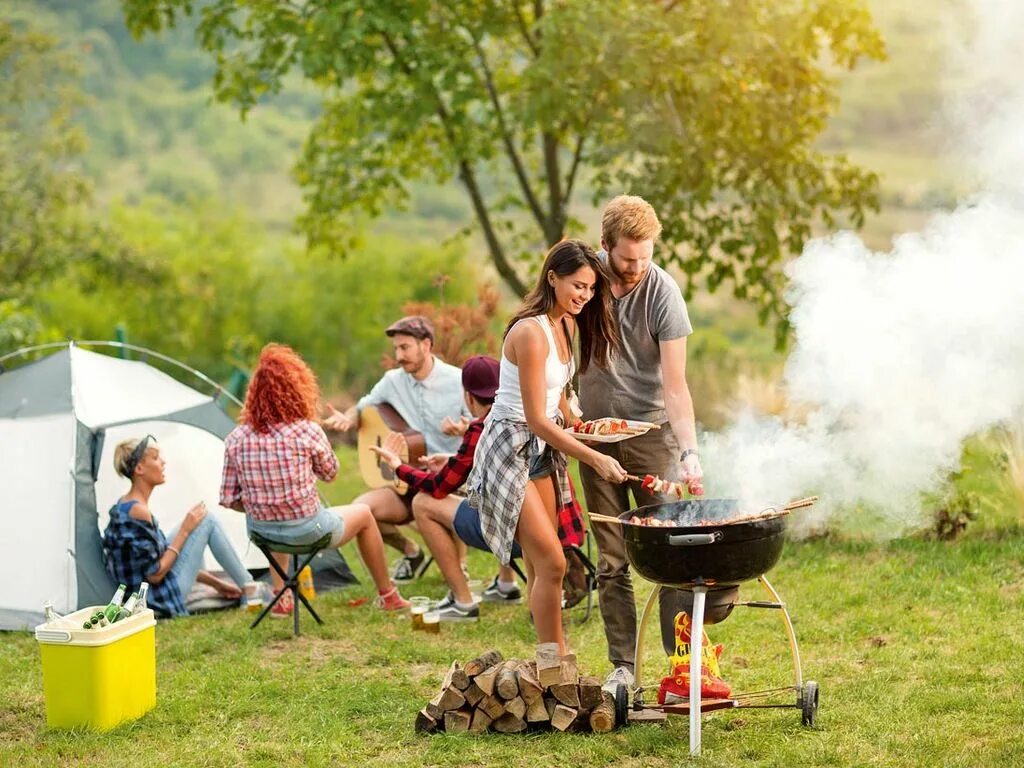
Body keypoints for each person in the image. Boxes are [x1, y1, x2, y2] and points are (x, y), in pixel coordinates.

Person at [469, 239, 627, 655]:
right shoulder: (530, 332)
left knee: (546, 565)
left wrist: (582, 425)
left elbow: (554, 394)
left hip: (541, 451)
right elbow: (535, 418)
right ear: (552, 278)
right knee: (555, 563)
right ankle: (554, 659)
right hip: (510, 449)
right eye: (578, 285)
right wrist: (594, 456)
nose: (584, 296)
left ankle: (550, 657)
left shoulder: (565, 325)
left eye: (591, 289)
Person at [576, 194, 705, 695]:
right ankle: (623, 669)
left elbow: (676, 384)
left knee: (671, 555)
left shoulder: (664, 293)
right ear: (605, 246)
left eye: (645, 257)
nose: (635, 268)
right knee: (611, 561)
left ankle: (682, 667)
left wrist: (689, 452)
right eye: (626, 259)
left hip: (654, 437)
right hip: (596, 439)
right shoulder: (585, 285)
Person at [220, 343, 409, 616]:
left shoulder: (236, 438)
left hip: (262, 533)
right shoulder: (307, 431)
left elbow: (229, 500)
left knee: (275, 515)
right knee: (366, 515)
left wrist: (263, 503)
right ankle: (388, 595)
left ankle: (282, 597)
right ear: (297, 389)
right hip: (310, 531)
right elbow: (331, 474)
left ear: (254, 394)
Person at [370, 355, 523, 622]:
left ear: (468, 397)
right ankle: (506, 584)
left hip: (510, 534)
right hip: (545, 530)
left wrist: (397, 466)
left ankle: (462, 602)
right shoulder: (521, 417)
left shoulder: (480, 428)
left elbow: (438, 487)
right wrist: (451, 461)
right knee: (498, 492)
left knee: (423, 503)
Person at [323, 315, 468, 581]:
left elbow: (479, 425)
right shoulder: (392, 380)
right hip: (406, 477)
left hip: (446, 478)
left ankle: (459, 569)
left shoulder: (457, 380)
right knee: (361, 511)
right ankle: (411, 552)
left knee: (438, 510)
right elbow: (364, 405)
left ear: (426, 345)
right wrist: (348, 417)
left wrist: (463, 428)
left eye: (405, 348)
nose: (399, 355)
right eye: (396, 349)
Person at [103, 435, 253, 619]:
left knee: (197, 521)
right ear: (139, 468)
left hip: (142, 593)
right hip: (154, 598)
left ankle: (247, 587)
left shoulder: (125, 504)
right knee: (207, 521)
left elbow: (157, 559)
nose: (163, 462)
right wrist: (185, 530)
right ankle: (250, 589)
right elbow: (155, 574)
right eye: (156, 458)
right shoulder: (139, 511)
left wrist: (217, 584)